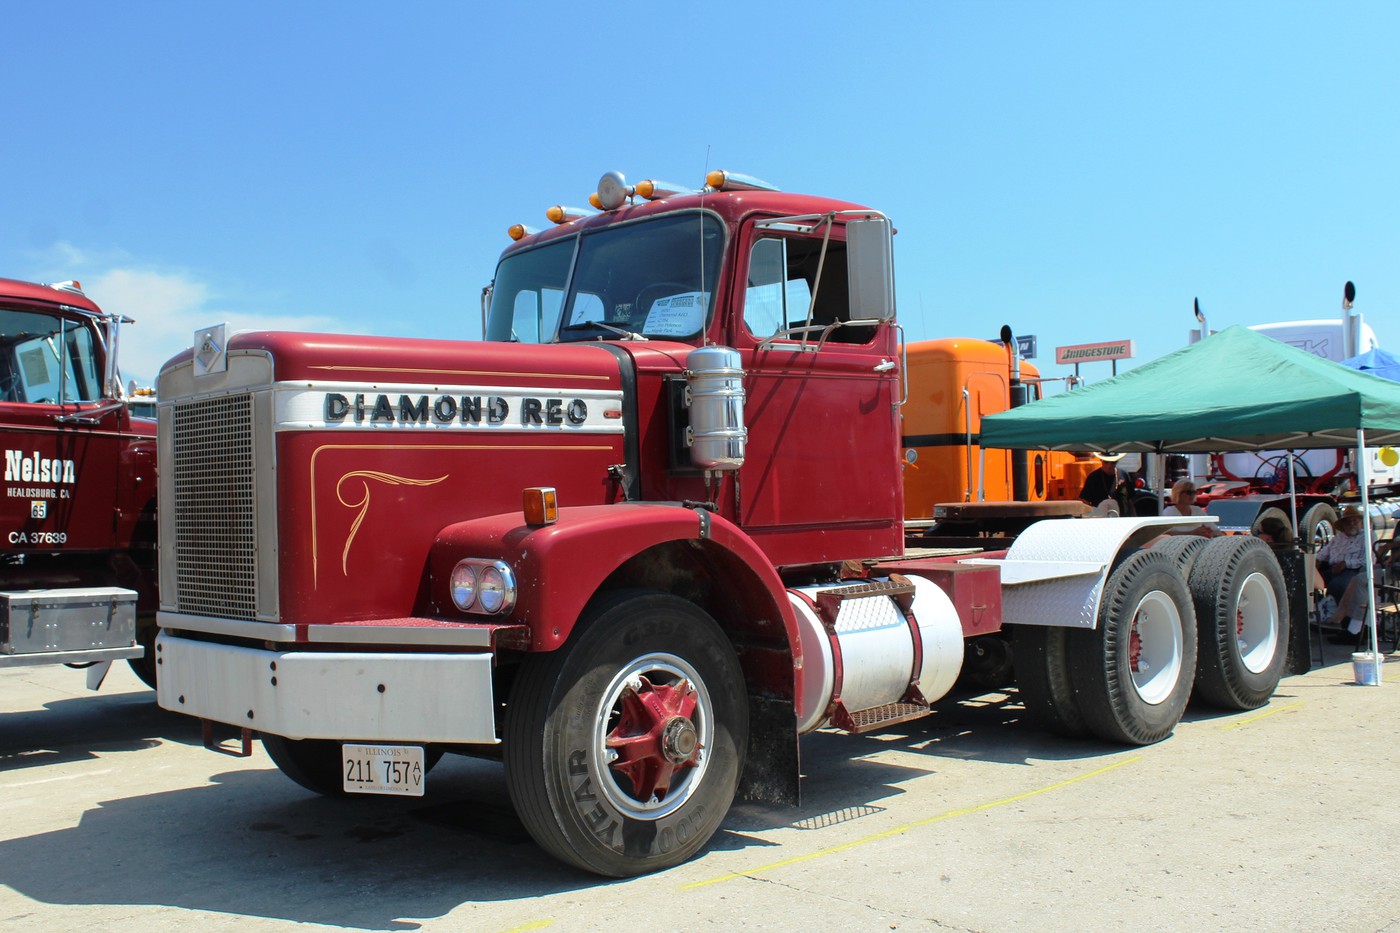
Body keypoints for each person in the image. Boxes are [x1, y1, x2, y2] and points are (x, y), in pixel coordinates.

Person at [1316, 506, 1368, 641]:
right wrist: (1315, 562)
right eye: (1348, 521)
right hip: (1332, 568)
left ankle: (1346, 621)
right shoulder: (1338, 537)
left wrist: (1346, 563)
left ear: (1360, 522)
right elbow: (1323, 554)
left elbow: (1368, 560)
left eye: (1354, 521)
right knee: (1309, 581)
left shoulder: (1367, 536)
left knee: (1338, 586)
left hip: (1353, 569)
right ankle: (1320, 615)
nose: (1351, 524)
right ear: (1343, 525)